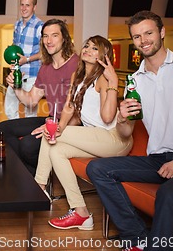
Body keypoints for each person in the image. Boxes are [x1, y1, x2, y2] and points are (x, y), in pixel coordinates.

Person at [86, 11, 173, 251]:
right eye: (137, 36)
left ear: (162, 32)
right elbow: (124, 133)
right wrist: (122, 117)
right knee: (98, 168)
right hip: (159, 160)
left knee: (169, 195)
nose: (143, 40)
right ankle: (138, 238)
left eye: (149, 33)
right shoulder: (135, 80)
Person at [32, 35, 133, 230]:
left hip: (115, 139)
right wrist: (59, 126)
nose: (87, 49)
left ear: (103, 55)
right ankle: (81, 213)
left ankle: (38, 189)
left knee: (52, 134)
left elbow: (107, 117)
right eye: (86, 45)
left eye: (95, 48)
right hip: (97, 138)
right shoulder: (77, 77)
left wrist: (113, 82)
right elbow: (70, 108)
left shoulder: (103, 79)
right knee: (56, 150)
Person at [0, 19, 79, 176]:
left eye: (54, 35)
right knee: (3, 129)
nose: (49, 41)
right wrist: (17, 87)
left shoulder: (76, 64)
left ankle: (35, 177)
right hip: (52, 119)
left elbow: (80, 111)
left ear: (64, 38)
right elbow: (31, 101)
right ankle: (30, 175)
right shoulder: (45, 68)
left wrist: (56, 127)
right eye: (45, 36)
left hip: (72, 124)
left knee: (27, 145)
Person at [4, 0, 43, 120]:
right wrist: (12, 58)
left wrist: (26, 59)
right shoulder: (18, 25)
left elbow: (45, 52)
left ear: (34, 7)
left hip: (32, 73)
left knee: (30, 112)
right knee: (9, 107)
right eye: (22, 4)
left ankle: (28, 137)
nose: (24, 8)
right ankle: (15, 132)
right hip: (18, 72)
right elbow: (16, 45)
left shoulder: (40, 26)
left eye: (27, 5)